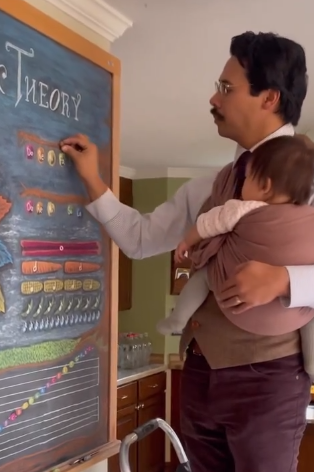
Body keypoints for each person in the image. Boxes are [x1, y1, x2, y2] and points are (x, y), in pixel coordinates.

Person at [59, 31, 313, 472]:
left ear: (269, 98)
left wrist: (285, 280)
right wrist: (93, 181)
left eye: (227, 88)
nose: (213, 98)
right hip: (198, 371)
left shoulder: (310, 181)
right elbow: (139, 240)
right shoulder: (207, 189)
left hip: (269, 378)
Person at [156, 136, 314, 382]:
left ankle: (178, 318)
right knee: (310, 312)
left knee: (205, 275)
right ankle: (312, 359)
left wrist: (187, 241)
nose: (243, 184)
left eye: (249, 178)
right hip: (289, 319)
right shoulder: (308, 217)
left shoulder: (242, 208)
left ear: (266, 186)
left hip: (258, 345)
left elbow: (208, 224)